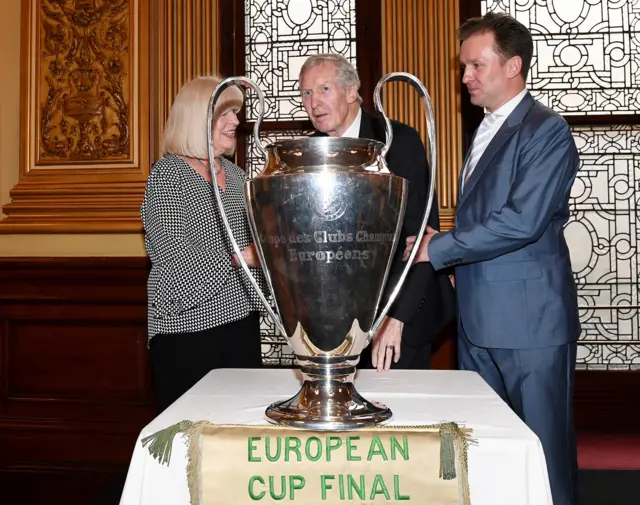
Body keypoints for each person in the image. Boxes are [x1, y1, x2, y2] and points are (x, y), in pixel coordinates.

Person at [404, 13, 580, 505]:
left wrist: (437, 249)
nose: (465, 78)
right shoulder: (485, 128)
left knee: (543, 459)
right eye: (465, 67)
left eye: (476, 66)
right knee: (490, 455)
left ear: (514, 66)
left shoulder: (546, 131)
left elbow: (521, 221)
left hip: (530, 325)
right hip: (478, 321)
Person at [299, 53, 456, 372]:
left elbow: (422, 238)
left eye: (324, 89)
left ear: (351, 89)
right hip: (329, 324)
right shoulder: (305, 153)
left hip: (397, 319)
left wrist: (396, 316)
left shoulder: (399, 141)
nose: (314, 102)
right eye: (306, 93)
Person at [141, 75, 266, 414]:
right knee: (191, 441)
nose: (236, 122)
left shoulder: (239, 176)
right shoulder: (168, 175)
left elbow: (259, 246)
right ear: (198, 119)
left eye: (237, 112)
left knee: (239, 435)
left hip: (241, 326)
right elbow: (172, 256)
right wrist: (241, 257)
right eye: (225, 113)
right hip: (187, 333)